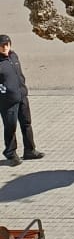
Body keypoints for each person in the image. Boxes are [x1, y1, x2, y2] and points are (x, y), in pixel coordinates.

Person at [0, 32, 39, 165]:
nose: (5, 47)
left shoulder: (14, 56)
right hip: (7, 101)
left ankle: (30, 150)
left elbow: (19, 75)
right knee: (10, 127)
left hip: (22, 97)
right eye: (2, 46)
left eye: (7, 45)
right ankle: (11, 153)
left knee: (26, 123)